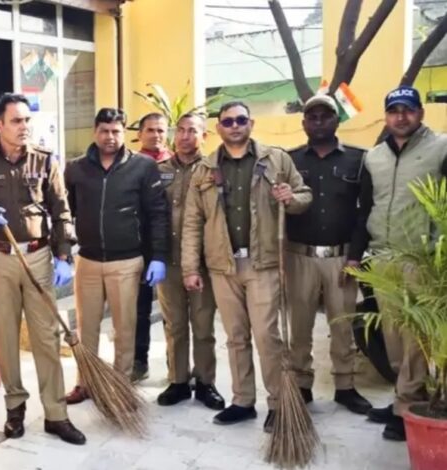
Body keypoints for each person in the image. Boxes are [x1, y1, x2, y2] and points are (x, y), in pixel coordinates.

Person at [0, 93, 85, 445]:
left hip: (39, 257)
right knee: (6, 337)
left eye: (27, 120)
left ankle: (56, 414)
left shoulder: (45, 161)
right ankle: (15, 408)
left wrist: (63, 255)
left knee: (47, 337)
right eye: (16, 120)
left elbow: (61, 211)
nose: (24, 126)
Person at [182, 101, 312, 432]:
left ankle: (278, 403)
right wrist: (190, 268)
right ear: (219, 128)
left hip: (263, 263)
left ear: (251, 123)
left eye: (241, 120)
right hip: (222, 266)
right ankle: (242, 401)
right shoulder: (204, 170)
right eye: (228, 122)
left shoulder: (276, 159)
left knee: (267, 336)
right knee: (236, 337)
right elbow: (192, 222)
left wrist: (290, 198)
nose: (235, 126)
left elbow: (304, 196)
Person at [348, 86, 447, 441]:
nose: (400, 117)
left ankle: (407, 406)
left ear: (421, 112)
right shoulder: (374, 157)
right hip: (383, 258)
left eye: (408, 110)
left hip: (422, 259)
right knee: (392, 336)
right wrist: (356, 254)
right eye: (394, 111)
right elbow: (365, 209)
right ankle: (403, 398)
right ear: (386, 116)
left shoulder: (441, 148)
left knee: (416, 337)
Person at [64, 108, 168, 404]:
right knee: (86, 328)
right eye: (104, 131)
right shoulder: (76, 168)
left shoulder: (143, 167)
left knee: (125, 329)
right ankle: (86, 382)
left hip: (127, 262)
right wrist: (63, 251)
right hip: (88, 260)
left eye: (116, 131)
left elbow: (157, 213)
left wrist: (158, 256)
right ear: (95, 132)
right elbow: (65, 212)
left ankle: (121, 385)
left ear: (124, 134)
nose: (110, 137)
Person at [285, 95, 372, 414]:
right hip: (299, 257)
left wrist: (355, 256)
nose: (319, 122)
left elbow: (365, 212)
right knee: (300, 326)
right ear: (304, 123)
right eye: (313, 117)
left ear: (337, 120)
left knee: (342, 325)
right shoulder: (290, 160)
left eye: (326, 116)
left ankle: (345, 387)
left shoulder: (358, 160)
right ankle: (301, 385)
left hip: (342, 258)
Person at [155, 114, 224, 410]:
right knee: (174, 325)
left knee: (203, 325)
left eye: (192, 131)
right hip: (168, 261)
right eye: (180, 130)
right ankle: (178, 381)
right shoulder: (159, 171)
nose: (185, 136)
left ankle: (206, 382)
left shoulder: (213, 171)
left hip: (202, 263)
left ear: (204, 136)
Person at [132, 112, 173, 382]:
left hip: (175, 246)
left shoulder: (177, 163)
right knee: (140, 310)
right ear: (140, 134)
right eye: (150, 130)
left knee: (174, 312)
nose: (156, 135)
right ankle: (139, 362)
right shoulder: (131, 165)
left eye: (160, 130)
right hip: (141, 247)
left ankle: (176, 366)